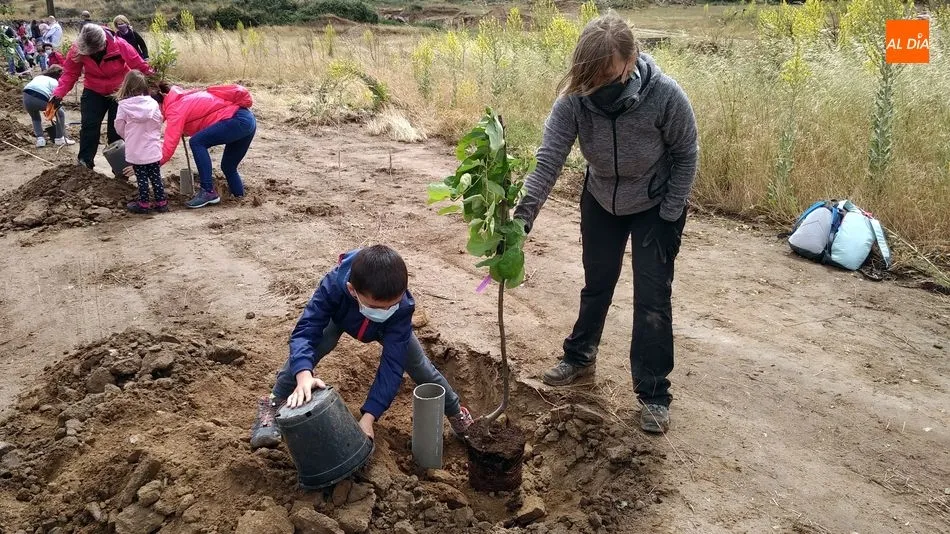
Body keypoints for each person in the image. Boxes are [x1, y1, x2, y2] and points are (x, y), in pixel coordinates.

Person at [513, 15, 698, 434]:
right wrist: (522, 220)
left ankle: (654, 393)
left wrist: (671, 215)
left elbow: (687, 154)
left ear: (631, 60)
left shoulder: (665, 95)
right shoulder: (575, 100)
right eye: (591, 80)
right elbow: (548, 161)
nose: (599, 87)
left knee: (652, 298)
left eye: (609, 77)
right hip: (601, 197)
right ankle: (580, 357)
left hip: (655, 205)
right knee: (597, 282)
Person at [249, 246, 476, 450]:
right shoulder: (333, 285)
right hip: (342, 317)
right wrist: (303, 375)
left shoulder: (402, 309)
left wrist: (369, 418)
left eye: (391, 305)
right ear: (352, 290)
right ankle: (273, 403)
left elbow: (392, 366)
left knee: (420, 367)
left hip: (389, 330)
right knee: (318, 343)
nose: (385, 311)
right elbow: (306, 330)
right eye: (376, 306)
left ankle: (457, 413)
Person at [49, 24, 152, 170]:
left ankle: (120, 170)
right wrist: (58, 94)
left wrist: (155, 82)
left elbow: (140, 66)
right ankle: (85, 165)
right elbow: (70, 73)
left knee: (116, 130)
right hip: (93, 90)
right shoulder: (77, 48)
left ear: (103, 43)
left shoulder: (120, 45)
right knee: (89, 127)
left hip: (120, 91)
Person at [153, 83, 257, 208]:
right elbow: (205, 117)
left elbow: (168, 147)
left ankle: (208, 191)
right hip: (247, 119)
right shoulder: (182, 97)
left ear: (158, 104)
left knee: (197, 142)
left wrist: (151, 164)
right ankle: (239, 199)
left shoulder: (175, 109)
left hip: (236, 119)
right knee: (228, 166)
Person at [114, 71, 167, 215]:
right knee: (156, 176)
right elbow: (159, 121)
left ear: (126, 86)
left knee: (141, 178)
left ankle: (144, 204)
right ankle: (161, 203)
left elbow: (119, 125)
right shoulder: (153, 103)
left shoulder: (123, 106)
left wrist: (128, 136)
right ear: (144, 87)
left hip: (136, 149)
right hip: (152, 147)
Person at [22, 65, 73, 147]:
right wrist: (51, 111)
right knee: (60, 114)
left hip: (26, 97)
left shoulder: (39, 77)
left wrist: (49, 109)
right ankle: (60, 139)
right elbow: (56, 97)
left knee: (35, 118)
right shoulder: (55, 82)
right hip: (40, 97)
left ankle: (40, 140)